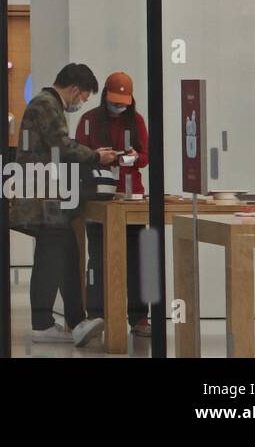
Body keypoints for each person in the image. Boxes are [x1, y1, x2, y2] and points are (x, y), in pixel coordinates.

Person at [9, 62, 116, 347]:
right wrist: (96, 156)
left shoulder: (46, 104)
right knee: (52, 257)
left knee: (66, 254)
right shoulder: (46, 105)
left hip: (47, 197)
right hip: (42, 198)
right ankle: (43, 324)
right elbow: (62, 147)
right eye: (83, 97)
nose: (81, 103)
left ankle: (76, 322)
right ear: (74, 89)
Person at [75, 70, 151, 338]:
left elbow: (146, 155)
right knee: (98, 258)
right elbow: (78, 154)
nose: (118, 106)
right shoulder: (88, 121)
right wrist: (98, 158)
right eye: (114, 100)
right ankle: (96, 315)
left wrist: (132, 159)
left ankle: (140, 317)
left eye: (123, 102)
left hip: (131, 196)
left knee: (139, 259)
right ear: (105, 95)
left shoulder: (137, 121)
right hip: (98, 197)